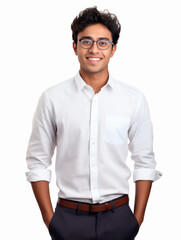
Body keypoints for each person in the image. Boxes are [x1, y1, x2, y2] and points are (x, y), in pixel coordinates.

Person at [26, 6, 162, 240]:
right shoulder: (52, 98)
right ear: (75, 46)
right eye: (86, 41)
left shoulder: (133, 99)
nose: (94, 49)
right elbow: (38, 162)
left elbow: (144, 161)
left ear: (113, 49)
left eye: (102, 42)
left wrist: (136, 220)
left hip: (119, 217)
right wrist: (51, 222)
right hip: (68, 218)